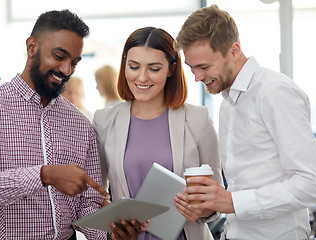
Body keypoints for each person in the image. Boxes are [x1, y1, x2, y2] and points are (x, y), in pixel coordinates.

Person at [0, 9, 136, 240]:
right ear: (31, 46)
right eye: (59, 56)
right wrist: (44, 175)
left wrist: (110, 235)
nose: (67, 70)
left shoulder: (81, 123)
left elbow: (88, 204)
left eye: (74, 62)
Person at [175, 4, 316, 240]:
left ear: (234, 51)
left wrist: (232, 201)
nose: (197, 77)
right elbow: (245, 184)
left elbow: (313, 183)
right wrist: (210, 205)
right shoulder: (227, 103)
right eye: (191, 68)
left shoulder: (274, 92)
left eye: (204, 67)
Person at [92, 27, 223, 240]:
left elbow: (215, 195)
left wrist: (201, 209)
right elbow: (96, 194)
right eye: (134, 67)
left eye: (154, 69)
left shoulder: (198, 120)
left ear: (171, 69)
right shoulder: (104, 120)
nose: (142, 77)